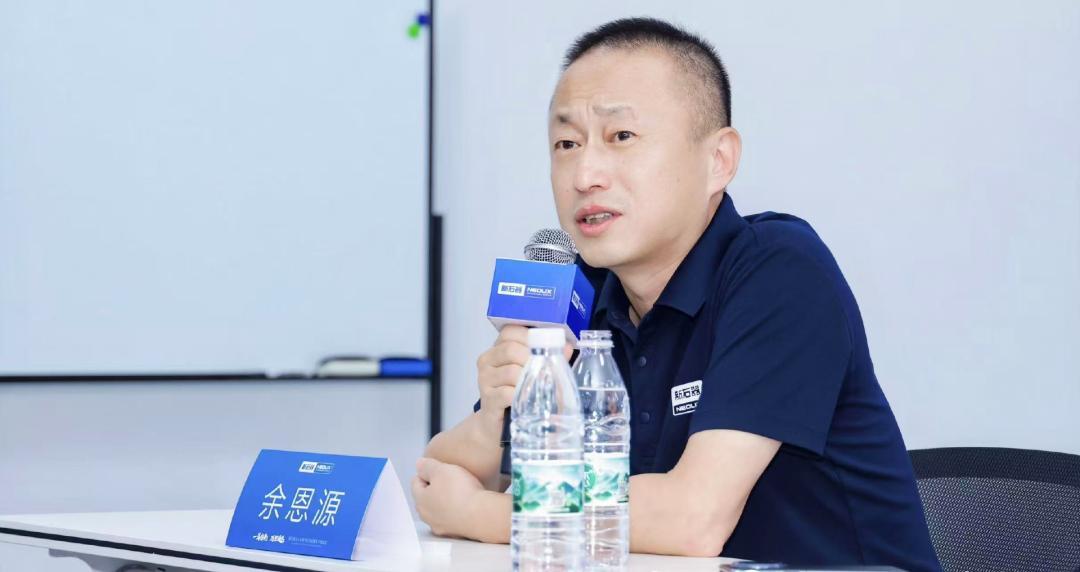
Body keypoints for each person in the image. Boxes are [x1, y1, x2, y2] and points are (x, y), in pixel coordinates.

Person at [412, 17, 940, 571]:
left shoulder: (780, 270)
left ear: (718, 161)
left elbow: (692, 519)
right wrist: (495, 417)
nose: (585, 174)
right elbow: (437, 480)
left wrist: (484, 514)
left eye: (621, 137)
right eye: (566, 143)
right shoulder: (583, 293)